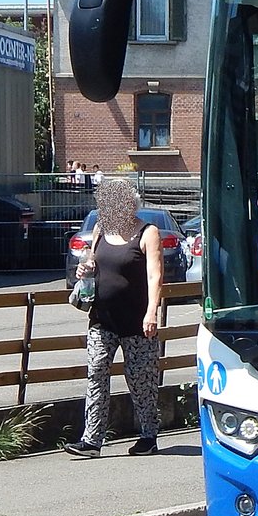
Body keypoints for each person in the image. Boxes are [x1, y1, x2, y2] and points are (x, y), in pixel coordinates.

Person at [64, 179, 164, 458]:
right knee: (96, 373)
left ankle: (148, 436)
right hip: (102, 318)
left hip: (137, 321)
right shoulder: (100, 229)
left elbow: (155, 275)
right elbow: (93, 262)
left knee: (140, 379)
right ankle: (92, 440)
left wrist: (152, 311)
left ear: (131, 204)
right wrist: (86, 269)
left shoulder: (148, 232)